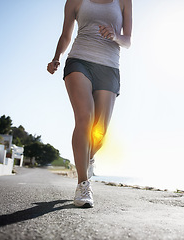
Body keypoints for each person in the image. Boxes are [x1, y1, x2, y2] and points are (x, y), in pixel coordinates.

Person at [47, 0, 132, 208]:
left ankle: (88, 158)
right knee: (85, 118)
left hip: (109, 67)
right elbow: (66, 34)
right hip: (80, 60)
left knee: (100, 133)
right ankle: (83, 184)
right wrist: (56, 57)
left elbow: (127, 40)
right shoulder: (75, 1)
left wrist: (114, 35)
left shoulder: (124, 1)